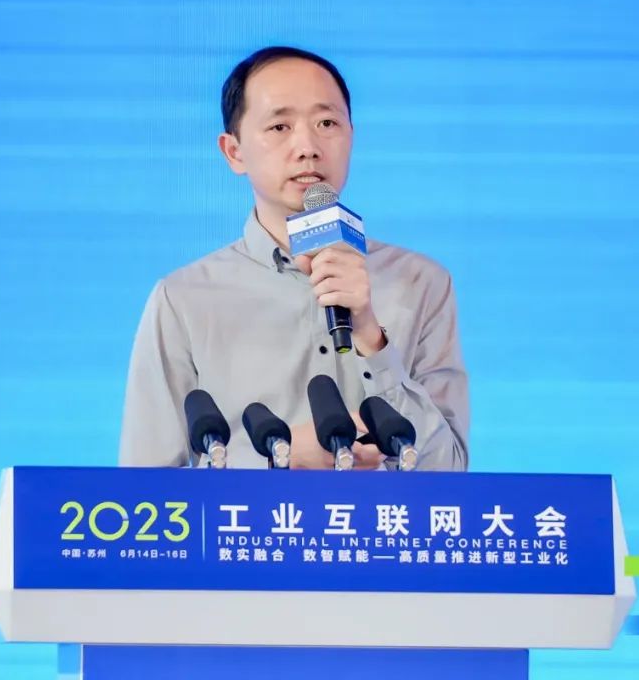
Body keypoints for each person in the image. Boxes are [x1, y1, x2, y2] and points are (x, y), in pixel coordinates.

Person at [119, 46, 468, 470]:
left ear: (351, 136)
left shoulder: (421, 283)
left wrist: (371, 337)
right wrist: (276, 463)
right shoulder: (184, 299)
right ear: (234, 152)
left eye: (327, 123)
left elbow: (450, 472)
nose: (307, 147)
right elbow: (147, 489)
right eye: (280, 126)